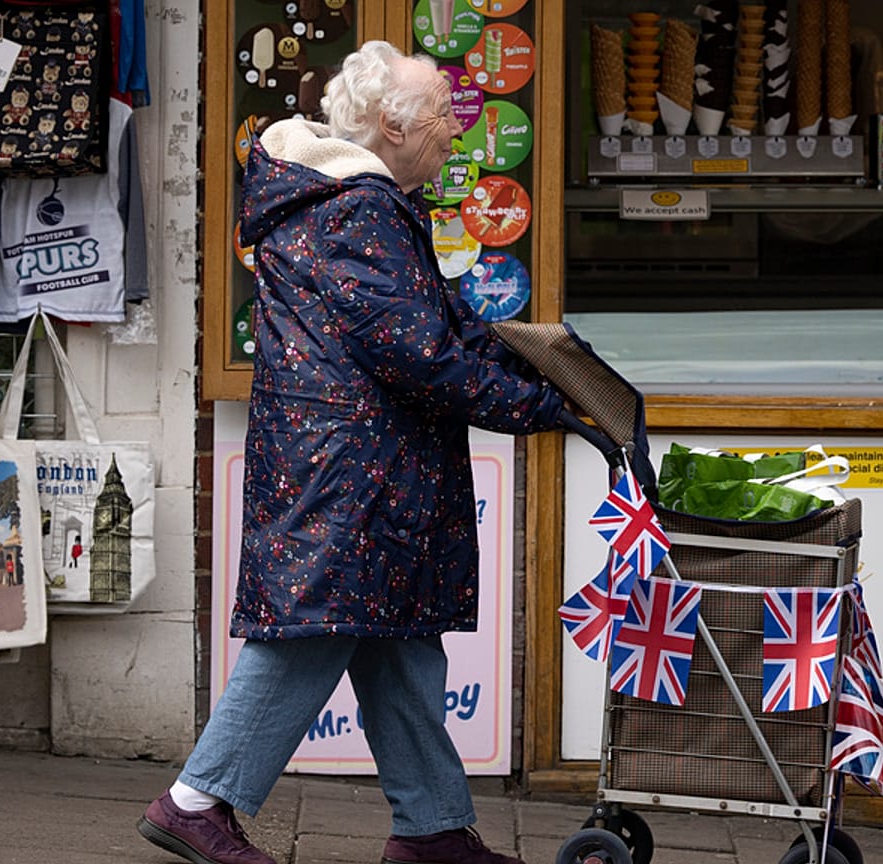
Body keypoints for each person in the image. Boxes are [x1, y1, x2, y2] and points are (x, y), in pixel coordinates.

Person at [136, 41, 567, 864]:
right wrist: (545, 404)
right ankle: (198, 800)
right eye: (442, 110)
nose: (456, 127)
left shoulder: (358, 203)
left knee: (399, 642)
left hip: (356, 468)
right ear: (391, 126)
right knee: (314, 632)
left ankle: (434, 829)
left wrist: (541, 365)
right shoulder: (356, 211)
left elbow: (437, 327)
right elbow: (420, 355)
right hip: (350, 476)